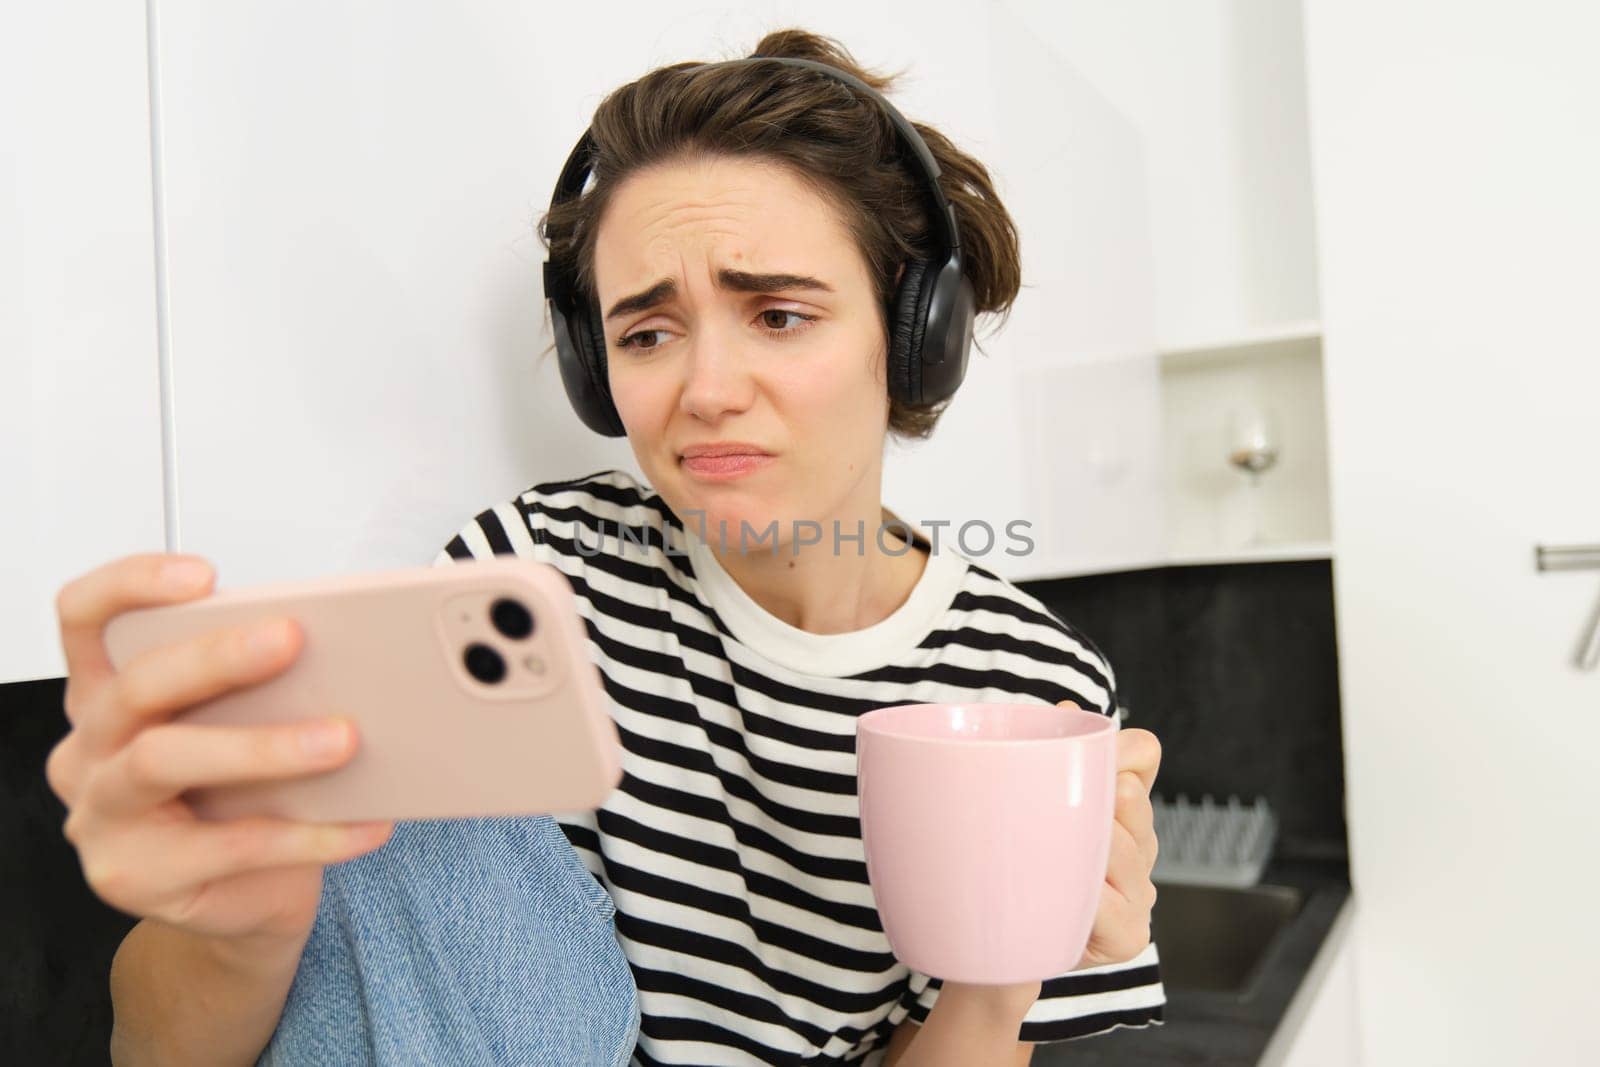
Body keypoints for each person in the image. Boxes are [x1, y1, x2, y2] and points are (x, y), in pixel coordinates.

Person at [47, 27, 1165, 1067]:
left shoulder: (1032, 688)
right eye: (647, 332)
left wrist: (999, 978)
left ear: (916, 340)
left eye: (778, 314)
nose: (705, 392)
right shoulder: (527, 579)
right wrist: (243, 932)